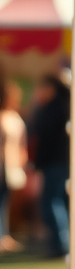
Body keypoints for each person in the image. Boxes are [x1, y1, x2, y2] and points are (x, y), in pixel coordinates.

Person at [28, 73, 71, 258]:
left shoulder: (51, 110)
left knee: (51, 202)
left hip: (54, 163)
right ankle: (63, 243)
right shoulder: (64, 107)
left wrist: (37, 162)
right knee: (58, 201)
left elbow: (43, 138)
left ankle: (61, 244)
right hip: (62, 162)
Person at [0, 80, 28, 252]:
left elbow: (22, 142)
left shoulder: (15, 117)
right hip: (3, 164)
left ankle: (4, 234)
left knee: (6, 202)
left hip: (12, 164)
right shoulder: (3, 117)